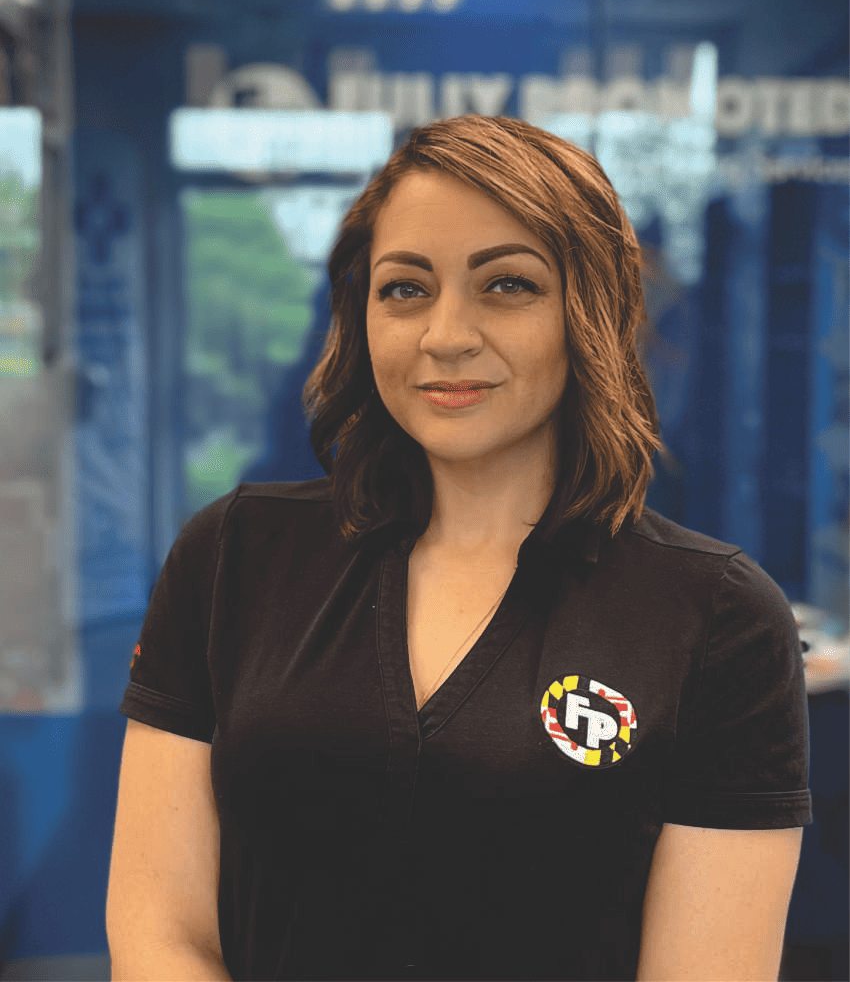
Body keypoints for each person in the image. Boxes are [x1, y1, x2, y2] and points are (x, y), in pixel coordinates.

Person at [106, 115, 812, 982]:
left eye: (506, 285)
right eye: (405, 288)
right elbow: (160, 928)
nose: (446, 335)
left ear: (587, 313)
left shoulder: (718, 619)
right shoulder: (233, 557)